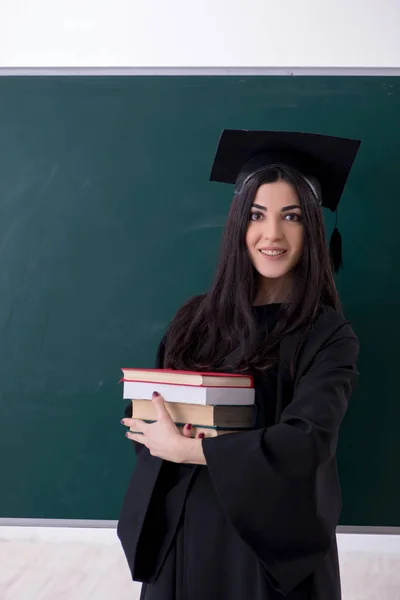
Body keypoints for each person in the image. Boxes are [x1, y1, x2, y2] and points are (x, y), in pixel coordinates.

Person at [117, 129, 361, 600]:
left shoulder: (327, 334)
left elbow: (307, 442)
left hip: (269, 556)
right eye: (256, 215)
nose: (273, 234)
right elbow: (155, 426)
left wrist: (191, 450)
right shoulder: (195, 320)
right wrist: (153, 432)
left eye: (291, 216)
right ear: (237, 225)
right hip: (185, 537)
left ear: (312, 227)